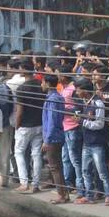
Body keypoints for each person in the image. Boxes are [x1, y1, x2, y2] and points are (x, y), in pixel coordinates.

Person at [12, 65, 47, 193]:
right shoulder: (41, 85)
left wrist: (17, 124)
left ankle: (24, 183)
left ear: (22, 70)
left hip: (25, 126)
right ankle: (35, 184)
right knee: (36, 154)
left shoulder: (21, 89)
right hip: (39, 124)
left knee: (19, 152)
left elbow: (20, 111)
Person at [40, 73, 70, 203]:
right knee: (58, 166)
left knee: (54, 167)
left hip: (52, 137)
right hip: (58, 134)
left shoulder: (52, 99)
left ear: (47, 83)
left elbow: (52, 121)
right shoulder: (58, 97)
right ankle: (64, 193)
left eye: (42, 82)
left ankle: (61, 195)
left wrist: (47, 140)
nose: (41, 85)